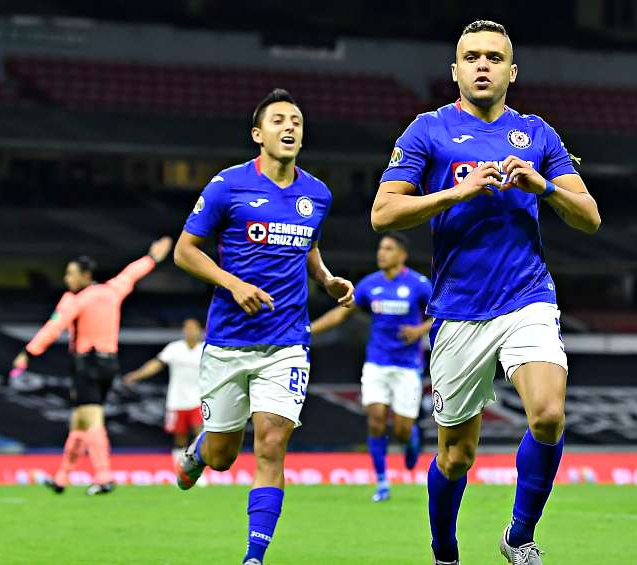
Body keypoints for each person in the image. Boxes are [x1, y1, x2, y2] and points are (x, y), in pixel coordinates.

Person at [371, 20, 601, 565]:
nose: (482, 65)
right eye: (471, 56)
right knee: (455, 456)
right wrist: (457, 191)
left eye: (494, 58)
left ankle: (519, 536)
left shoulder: (537, 134)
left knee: (547, 415)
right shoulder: (427, 131)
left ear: (511, 72)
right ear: (454, 70)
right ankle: (445, 550)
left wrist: (541, 185)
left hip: (527, 298)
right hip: (458, 311)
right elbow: (383, 213)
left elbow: (589, 217)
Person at [171, 88, 354, 565]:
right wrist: (232, 284)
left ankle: (254, 557)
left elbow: (308, 245)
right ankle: (199, 451)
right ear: (258, 134)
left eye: (296, 120)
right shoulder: (226, 186)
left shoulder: (317, 193)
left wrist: (327, 279)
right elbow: (185, 251)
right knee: (222, 456)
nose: (290, 127)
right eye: (278, 120)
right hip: (228, 341)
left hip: (288, 342)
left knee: (272, 441)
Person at [11, 237, 172, 495]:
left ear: (86, 275)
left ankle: (104, 476)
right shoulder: (112, 290)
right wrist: (152, 257)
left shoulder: (74, 300)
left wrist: (28, 352)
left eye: (71, 273)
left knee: (91, 418)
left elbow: (54, 328)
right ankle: (62, 477)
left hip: (86, 363)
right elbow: (132, 274)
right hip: (109, 363)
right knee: (78, 422)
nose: (67, 279)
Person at [309, 232, 432, 502]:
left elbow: (442, 313)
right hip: (376, 362)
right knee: (376, 421)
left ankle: (410, 438)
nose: (381, 253)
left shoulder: (419, 284)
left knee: (400, 428)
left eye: (388, 248)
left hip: (407, 367)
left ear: (402, 255)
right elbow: (343, 312)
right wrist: (308, 330)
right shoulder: (369, 285)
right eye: (380, 248)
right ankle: (382, 482)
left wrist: (419, 330)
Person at [123, 318, 206, 464]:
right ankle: (179, 469)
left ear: (200, 330)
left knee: (200, 436)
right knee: (180, 438)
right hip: (177, 401)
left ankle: (198, 471)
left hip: (198, 400)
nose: (190, 331)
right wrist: (137, 375)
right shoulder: (174, 348)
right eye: (187, 328)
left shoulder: (206, 349)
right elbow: (156, 364)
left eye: (193, 328)